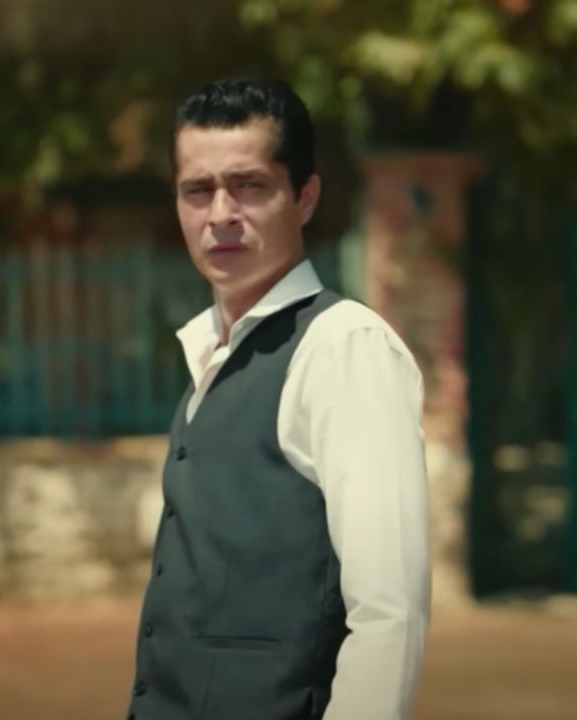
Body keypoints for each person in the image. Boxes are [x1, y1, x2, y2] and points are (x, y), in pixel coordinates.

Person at [126, 78, 431, 720]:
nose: (220, 214)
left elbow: (389, 613)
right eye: (198, 190)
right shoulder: (209, 354)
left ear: (305, 196)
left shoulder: (343, 348)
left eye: (249, 186)